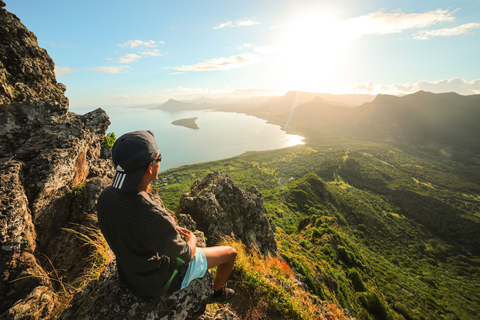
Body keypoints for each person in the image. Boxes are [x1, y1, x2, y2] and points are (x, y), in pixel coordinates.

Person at [97, 130, 237, 303]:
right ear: (150, 167)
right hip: (156, 284)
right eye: (159, 158)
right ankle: (217, 294)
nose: (159, 162)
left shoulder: (105, 196)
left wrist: (166, 229)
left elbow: (131, 229)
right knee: (231, 252)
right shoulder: (152, 214)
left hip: (129, 276)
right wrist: (192, 239)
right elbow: (185, 255)